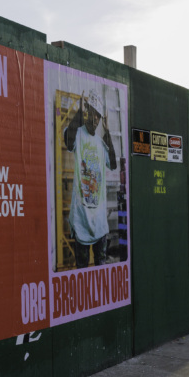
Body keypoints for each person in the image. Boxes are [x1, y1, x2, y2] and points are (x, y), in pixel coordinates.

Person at [63, 90, 117, 268]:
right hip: (82, 221)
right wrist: (79, 113)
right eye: (92, 113)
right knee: (82, 270)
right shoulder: (78, 134)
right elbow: (67, 141)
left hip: (99, 223)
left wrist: (108, 132)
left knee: (100, 269)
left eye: (98, 116)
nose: (95, 119)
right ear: (86, 111)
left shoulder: (101, 144)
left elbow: (114, 164)